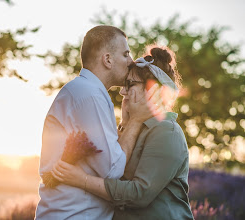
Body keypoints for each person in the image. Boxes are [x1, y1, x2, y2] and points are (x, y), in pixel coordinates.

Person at [52, 45, 194, 220]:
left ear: (152, 90)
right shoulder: (135, 127)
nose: (122, 91)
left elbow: (139, 194)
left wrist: (81, 180)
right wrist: (126, 123)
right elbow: (113, 169)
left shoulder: (166, 131)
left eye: (130, 84)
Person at [35, 26, 161, 219]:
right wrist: (136, 120)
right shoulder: (89, 95)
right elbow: (112, 170)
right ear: (107, 59)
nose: (131, 61)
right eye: (126, 54)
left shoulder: (86, 92)